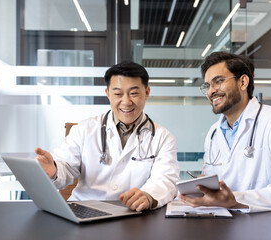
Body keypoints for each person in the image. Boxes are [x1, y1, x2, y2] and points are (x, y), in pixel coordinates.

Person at [35, 61, 180, 212]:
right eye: (118, 94)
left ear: (147, 92)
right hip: (84, 209)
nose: (126, 102)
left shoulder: (163, 137)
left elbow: (166, 179)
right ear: (108, 94)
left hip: (132, 214)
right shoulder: (84, 129)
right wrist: (54, 170)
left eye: (134, 93)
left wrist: (148, 196)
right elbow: (65, 166)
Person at [178, 52, 271, 212]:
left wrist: (235, 200)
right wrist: (202, 188)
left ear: (243, 82)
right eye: (207, 86)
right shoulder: (214, 132)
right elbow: (213, 179)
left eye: (218, 82)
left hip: (265, 224)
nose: (211, 92)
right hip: (223, 220)